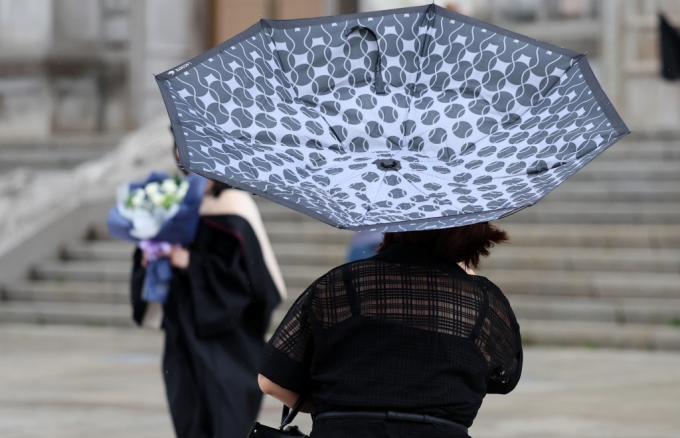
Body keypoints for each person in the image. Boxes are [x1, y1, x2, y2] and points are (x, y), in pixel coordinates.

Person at [257, 223, 522, 438]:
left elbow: (270, 381)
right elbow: (504, 377)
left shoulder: (338, 283)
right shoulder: (483, 299)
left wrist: (336, 406)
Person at [130, 154, 286, 438]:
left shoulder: (235, 207)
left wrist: (190, 262)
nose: (190, 168)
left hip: (228, 340)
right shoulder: (174, 204)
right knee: (189, 413)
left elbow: (248, 281)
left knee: (227, 418)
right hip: (184, 332)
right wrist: (150, 257)